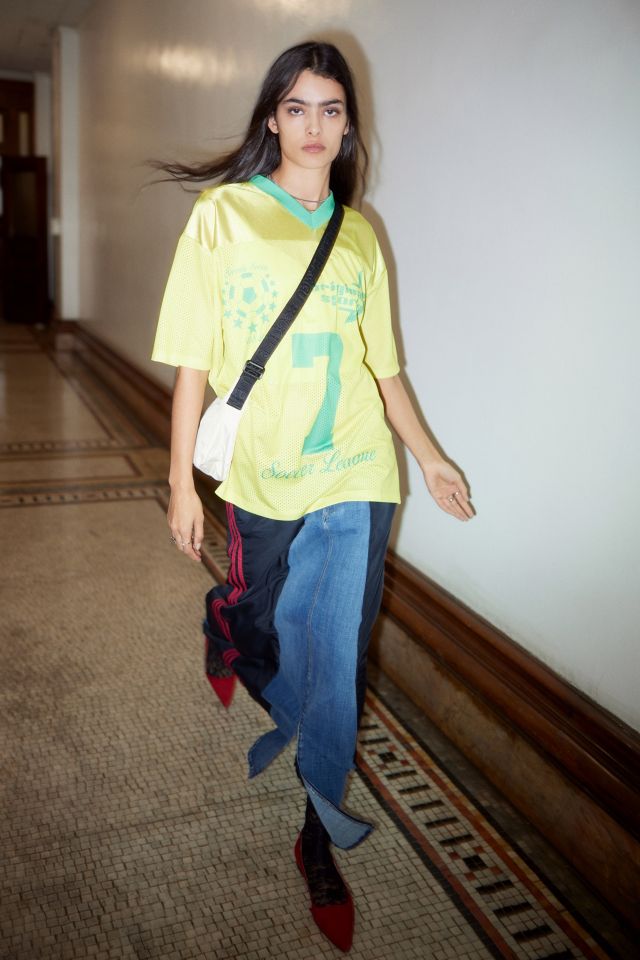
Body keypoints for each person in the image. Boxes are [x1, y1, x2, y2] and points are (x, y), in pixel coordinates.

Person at [151, 40, 473, 953]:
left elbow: (383, 371)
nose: (315, 126)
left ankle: (319, 829)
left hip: (358, 473)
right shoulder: (222, 217)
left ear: (348, 126)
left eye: (332, 109)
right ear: (272, 119)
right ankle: (227, 626)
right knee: (260, 619)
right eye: (297, 108)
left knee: (336, 655)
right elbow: (192, 365)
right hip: (260, 475)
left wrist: (429, 459)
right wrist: (180, 485)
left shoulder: (360, 236)